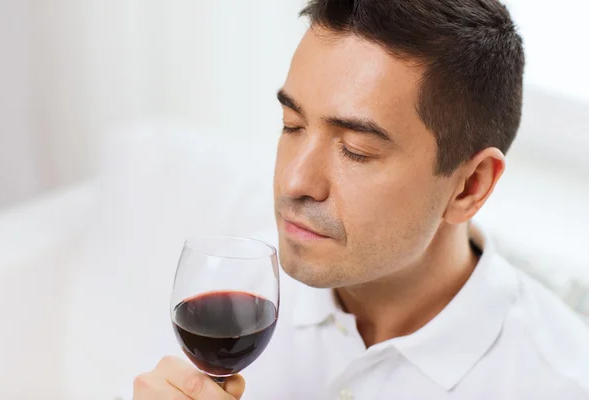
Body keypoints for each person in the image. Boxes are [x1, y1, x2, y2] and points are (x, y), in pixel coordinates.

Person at [132, 0, 589, 399]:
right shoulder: (226, 299)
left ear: (469, 186)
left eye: (356, 150)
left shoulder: (559, 383)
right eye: (292, 125)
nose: (294, 181)